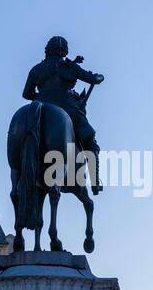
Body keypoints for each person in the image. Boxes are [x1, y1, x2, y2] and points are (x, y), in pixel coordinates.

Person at [22, 36, 104, 195]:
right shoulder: (70, 67)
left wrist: (41, 97)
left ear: (47, 50)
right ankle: (94, 182)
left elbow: (26, 94)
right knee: (90, 141)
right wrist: (100, 76)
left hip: (40, 105)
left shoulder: (36, 69)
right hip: (68, 109)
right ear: (64, 50)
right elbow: (94, 79)